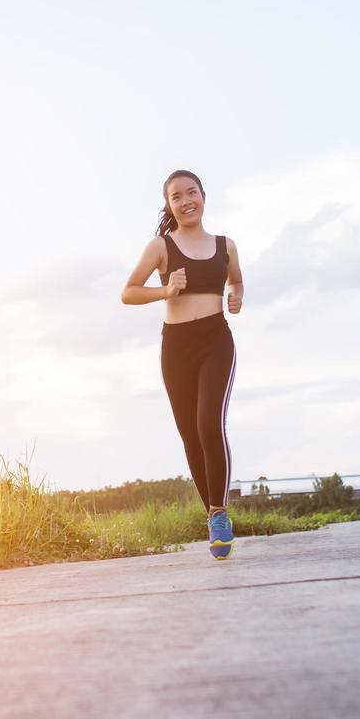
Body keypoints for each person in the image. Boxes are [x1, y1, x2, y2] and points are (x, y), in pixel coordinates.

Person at [119, 169, 244, 560]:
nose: (186, 200)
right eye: (177, 196)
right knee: (190, 433)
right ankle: (211, 511)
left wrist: (236, 296)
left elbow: (236, 282)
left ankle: (219, 514)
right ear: (169, 205)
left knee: (210, 423)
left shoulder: (226, 245)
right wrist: (166, 290)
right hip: (176, 347)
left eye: (192, 192)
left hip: (215, 341)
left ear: (204, 196)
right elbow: (128, 292)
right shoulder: (160, 246)